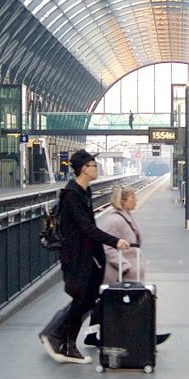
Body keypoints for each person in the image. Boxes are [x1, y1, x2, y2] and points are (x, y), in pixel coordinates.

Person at [39, 149, 125, 363]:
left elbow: (89, 227)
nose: (96, 169)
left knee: (85, 300)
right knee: (82, 299)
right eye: (93, 166)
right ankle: (59, 338)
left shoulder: (83, 192)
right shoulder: (72, 195)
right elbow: (86, 227)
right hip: (76, 256)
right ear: (83, 169)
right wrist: (114, 241)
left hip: (88, 255)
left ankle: (65, 343)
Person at [100, 185, 144, 288]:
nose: (135, 200)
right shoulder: (114, 220)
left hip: (131, 277)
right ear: (123, 201)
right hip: (121, 277)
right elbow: (107, 247)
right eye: (132, 197)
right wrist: (125, 266)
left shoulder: (127, 216)